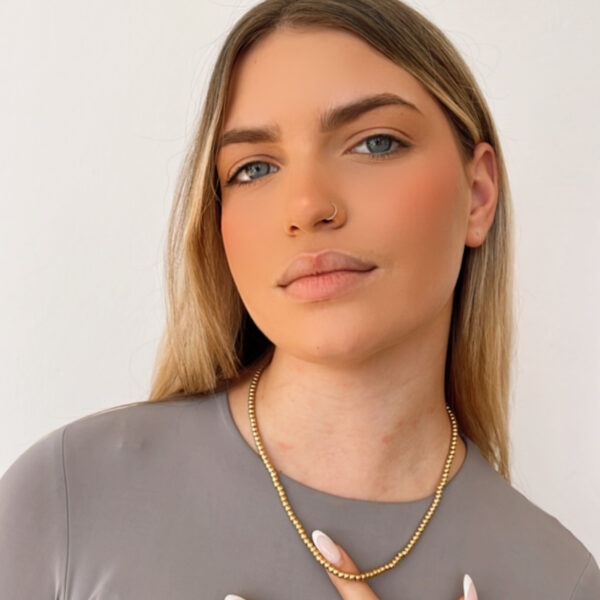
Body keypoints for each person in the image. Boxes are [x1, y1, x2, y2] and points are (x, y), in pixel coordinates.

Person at [1, 1, 598, 598]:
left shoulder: (558, 581)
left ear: (478, 194)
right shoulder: (68, 500)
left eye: (375, 144)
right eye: (254, 168)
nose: (308, 206)